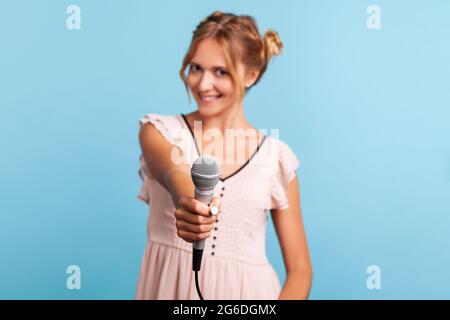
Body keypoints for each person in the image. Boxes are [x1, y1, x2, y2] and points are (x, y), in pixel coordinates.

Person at [135, 11, 312, 300]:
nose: (203, 85)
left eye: (221, 72)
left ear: (251, 75)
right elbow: (173, 170)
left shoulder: (276, 158)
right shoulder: (159, 131)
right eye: (196, 68)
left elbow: (301, 269)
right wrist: (188, 203)